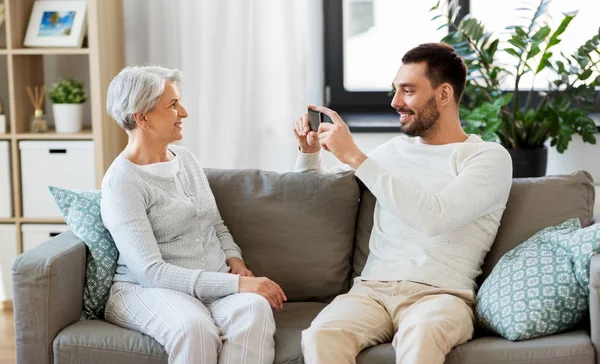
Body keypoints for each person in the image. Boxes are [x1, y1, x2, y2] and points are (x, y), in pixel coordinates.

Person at [293, 43, 513, 364]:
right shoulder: (391, 152)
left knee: (422, 334)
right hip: (371, 292)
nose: (396, 102)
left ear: (443, 94)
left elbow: (435, 217)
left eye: (407, 91)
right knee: (320, 335)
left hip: (440, 295)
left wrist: (355, 156)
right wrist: (309, 153)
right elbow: (317, 194)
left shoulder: (487, 158)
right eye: (396, 90)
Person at [101, 65, 286, 364]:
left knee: (255, 309)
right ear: (142, 117)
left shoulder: (185, 159)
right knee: (194, 328)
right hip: (147, 289)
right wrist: (237, 285)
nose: (183, 112)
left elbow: (214, 223)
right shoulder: (122, 181)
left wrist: (236, 264)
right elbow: (151, 272)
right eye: (173, 105)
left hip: (212, 283)